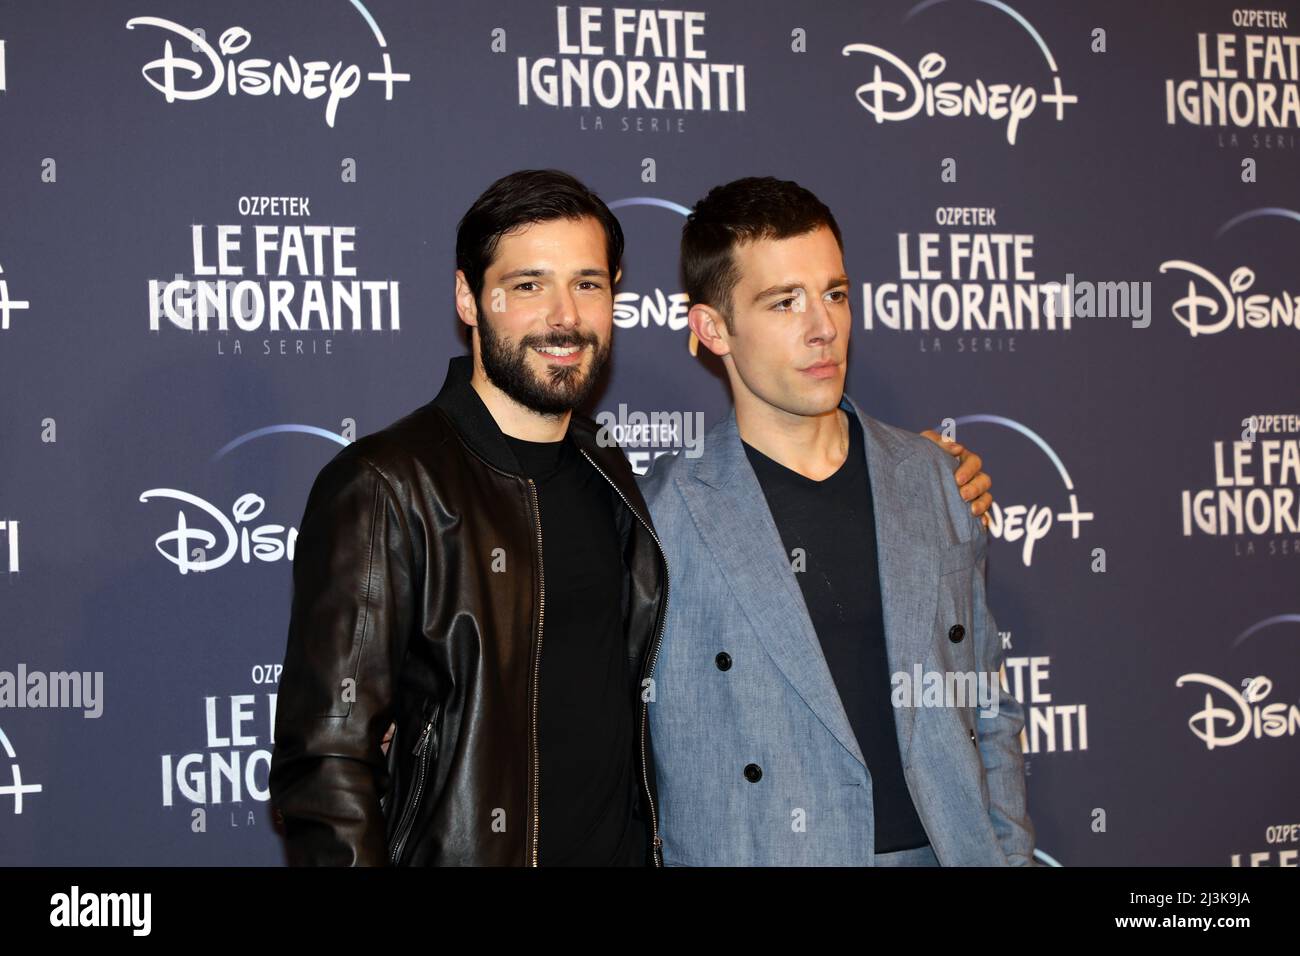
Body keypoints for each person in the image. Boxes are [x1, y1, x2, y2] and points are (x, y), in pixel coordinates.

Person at [268, 169, 994, 866]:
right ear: (468, 298)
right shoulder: (387, 484)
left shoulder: (613, 481)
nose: (563, 315)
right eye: (528, 286)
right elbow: (327, 764)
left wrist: (917, 474)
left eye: (587, 284)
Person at [639, 176, 1034, 866]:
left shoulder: (934, 479)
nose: (822, 327)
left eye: (835, 294)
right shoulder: (663, 515)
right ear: (711, 328)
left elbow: (986, 709)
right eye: (783, 301)